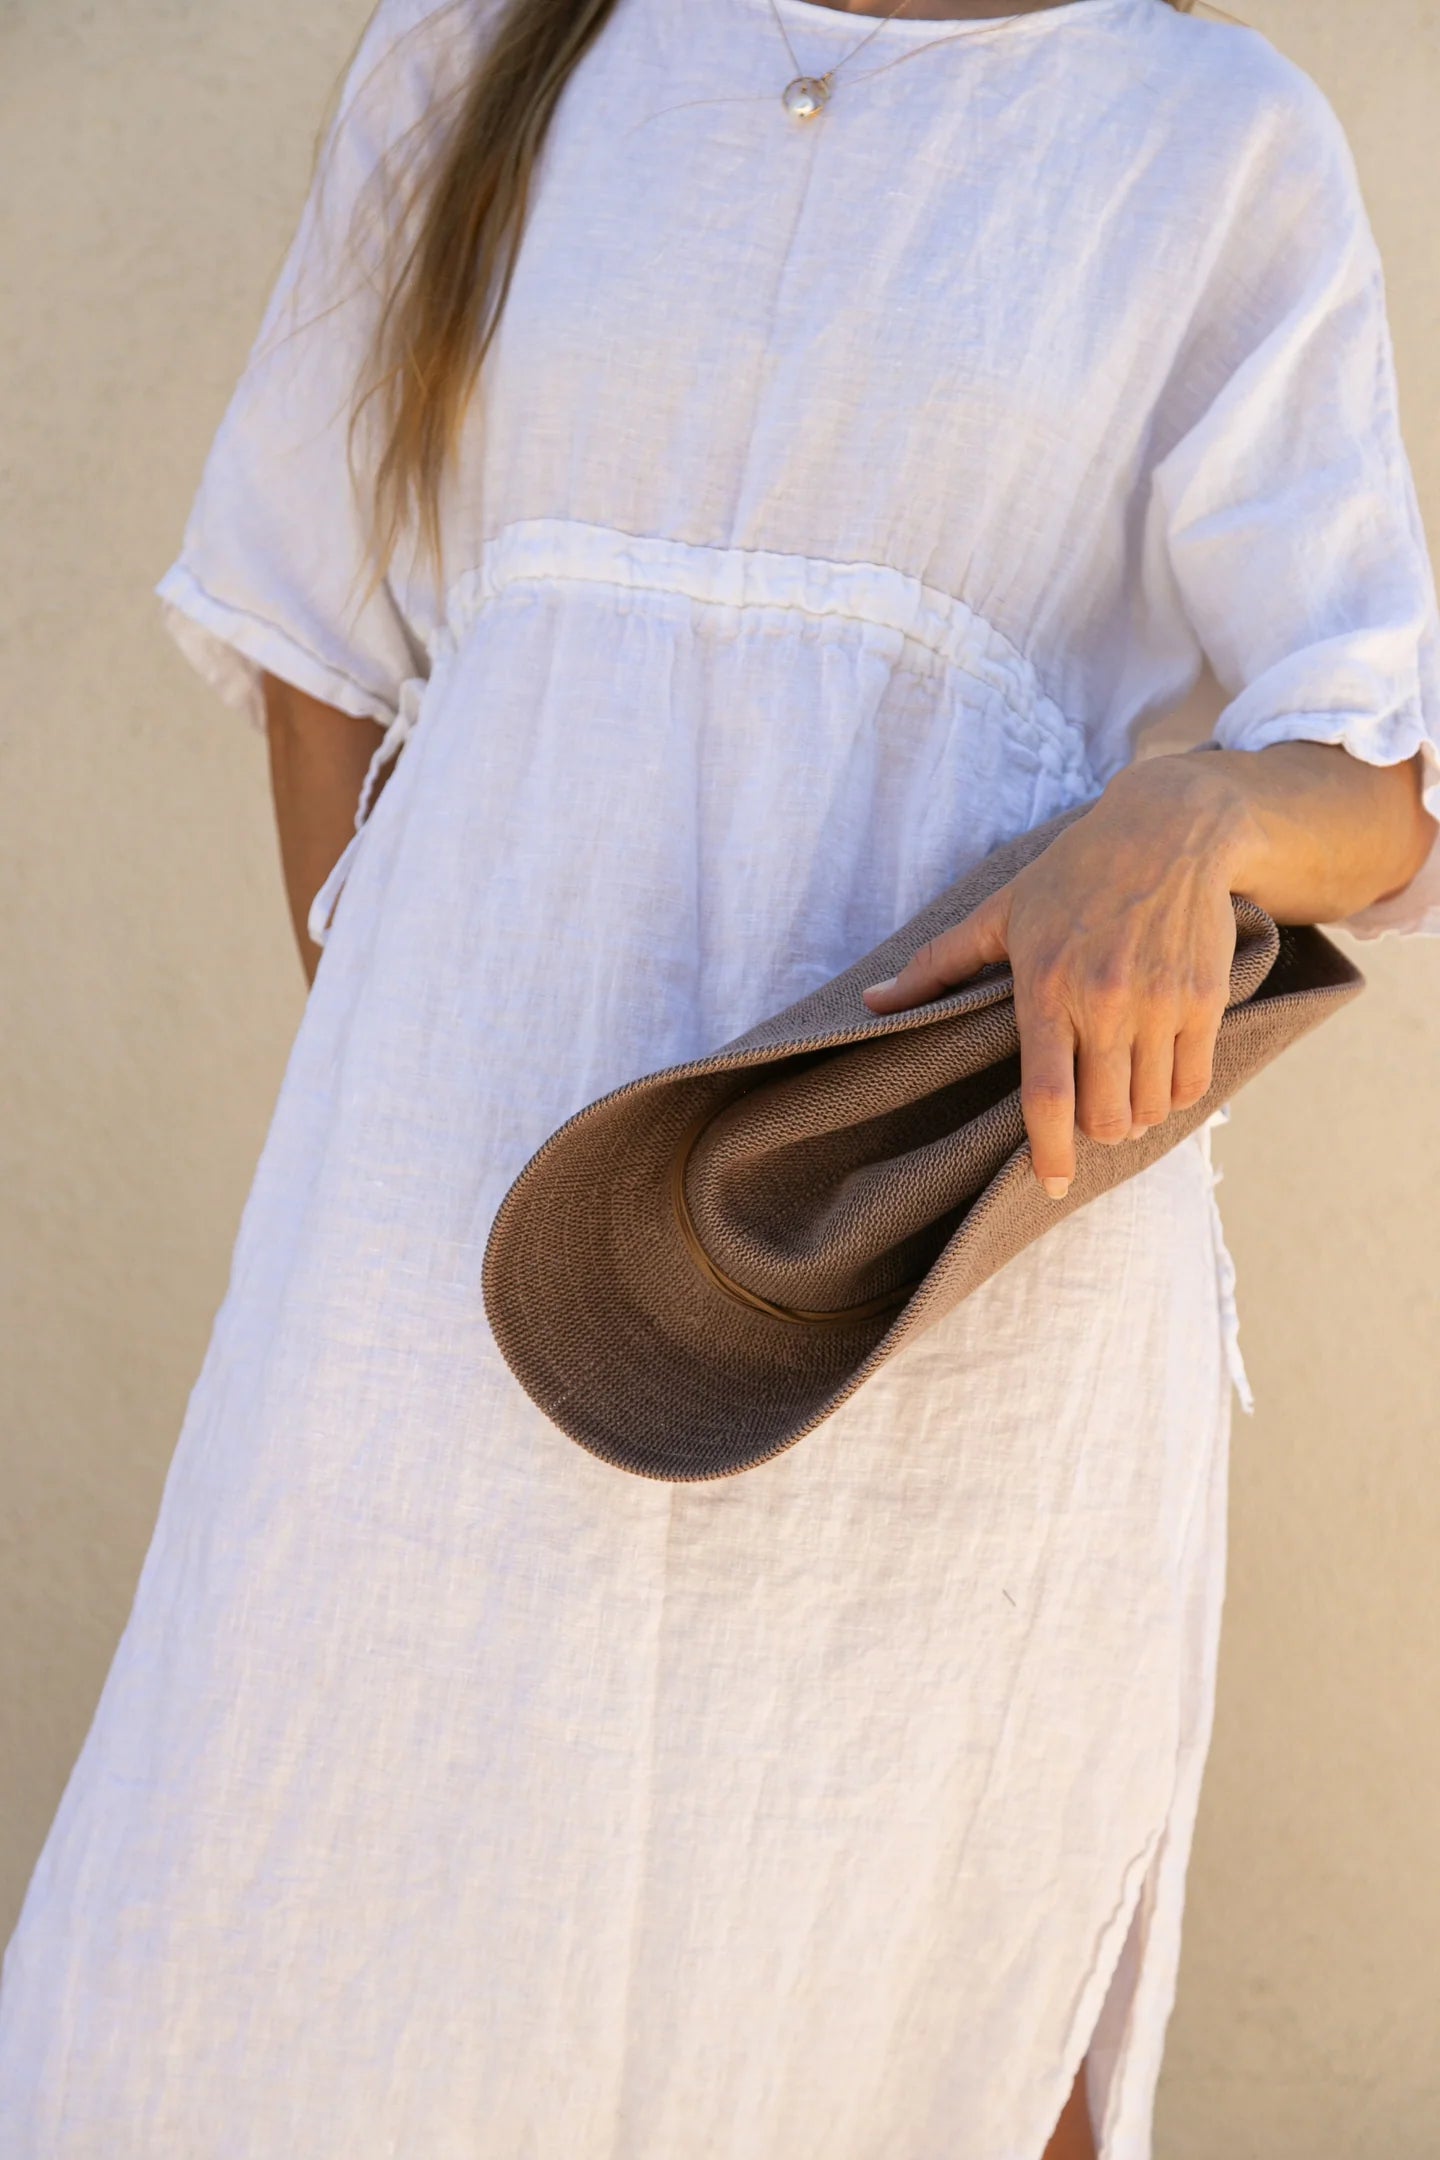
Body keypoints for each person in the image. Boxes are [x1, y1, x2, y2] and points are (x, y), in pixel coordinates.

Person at [1, 0, 1436, 2153]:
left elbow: (1382, 777)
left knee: (915, 2002)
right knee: (288, 1938)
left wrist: (1197, 814)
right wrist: (426, 1060)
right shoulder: (479, 52)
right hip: (458, 1243)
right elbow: (313, 632)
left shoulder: (1208, 135)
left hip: (937, 1280)